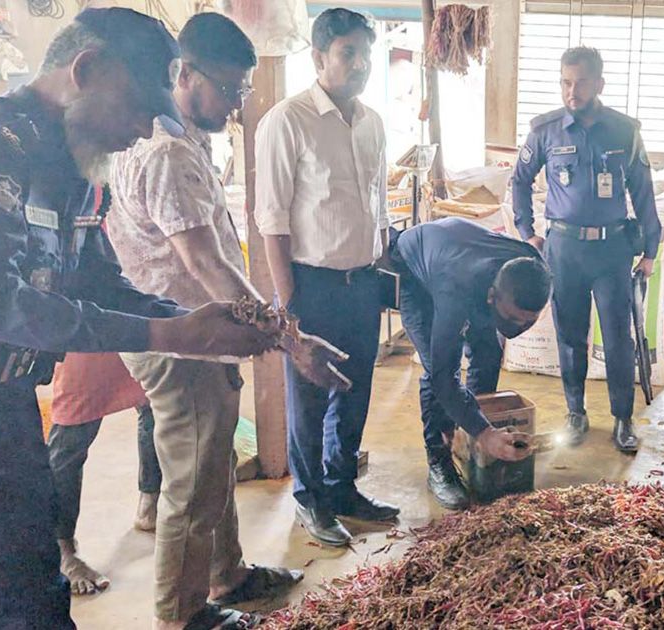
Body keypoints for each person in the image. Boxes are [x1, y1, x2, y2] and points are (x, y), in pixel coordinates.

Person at [0, 8, 279, 629]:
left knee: (32, 582)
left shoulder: (80, 169)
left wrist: (192, 321)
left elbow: (100, 281)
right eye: (136, 108)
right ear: (86, 70)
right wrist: (165, 333)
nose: (142, 130)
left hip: (6, 405)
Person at [110, 14, 345, 629]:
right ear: (183, 73)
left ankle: (228, 576)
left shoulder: (181, 136)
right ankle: (182, 614)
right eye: (229, 89)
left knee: (212, 465)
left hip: (199, 332)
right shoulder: (165, 152)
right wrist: (289, 338)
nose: (238, 104)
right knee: (192, 484)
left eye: (244, 89)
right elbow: (207, 263)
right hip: (181, 340)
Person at [255, 8, 399, 548]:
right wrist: (289, 308)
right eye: (347, 53)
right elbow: (271, 221)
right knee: (310, 397)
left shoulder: (373, 123)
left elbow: (378, 205)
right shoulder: (287, 121)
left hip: (362, 282)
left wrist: (380, 264)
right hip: (310, 286)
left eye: (366, 54)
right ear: (318, 56)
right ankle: (310, 498)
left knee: (354, 389)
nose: (360, 64)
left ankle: (342, 488)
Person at [510, 46, 661, 454]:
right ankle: (575, 414)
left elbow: (643, 192)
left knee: (617, 338)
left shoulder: (624, 132)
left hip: (612, 250)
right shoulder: (545, 131)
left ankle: (623, 419)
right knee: (570, 335)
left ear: (599, 84)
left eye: (580, 83)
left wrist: (650, 250)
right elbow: (519, 180)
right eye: (565, 82)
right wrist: (528, 232)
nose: (571, 92)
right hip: (564, 250)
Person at [390, 217, 551, 509]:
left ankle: (470, 445)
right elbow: (444, 377)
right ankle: (439, 462)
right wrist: (485, 432)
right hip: (417, 272)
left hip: (462, 254)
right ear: (491, 297)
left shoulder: (532, 267)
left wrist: (477, 428)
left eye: (529, 322)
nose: (519, 327)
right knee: (436, 367)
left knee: (488, 354)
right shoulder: (455, 288)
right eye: (513, 318)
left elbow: (490, 349)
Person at [48, 349, 162, 596]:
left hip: (134, 333)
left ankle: (150, 503)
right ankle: (61, 547)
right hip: (87, 337)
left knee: (156, 402)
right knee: (72, 426)